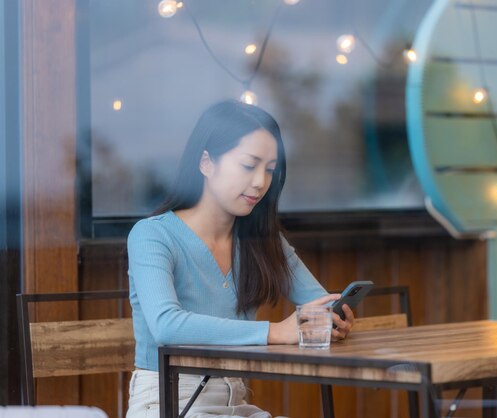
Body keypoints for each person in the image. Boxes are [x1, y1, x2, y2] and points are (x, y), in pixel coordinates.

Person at [126, 100, 355, 418]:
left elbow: (318, 301)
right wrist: (274, 332)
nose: (261, 182)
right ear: (206, 163)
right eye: (249, 165)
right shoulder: (152, 235)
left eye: (270, 170)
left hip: (234, 405)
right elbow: (167, 326)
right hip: (166, 403)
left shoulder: (261, 240)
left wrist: (331, 319)